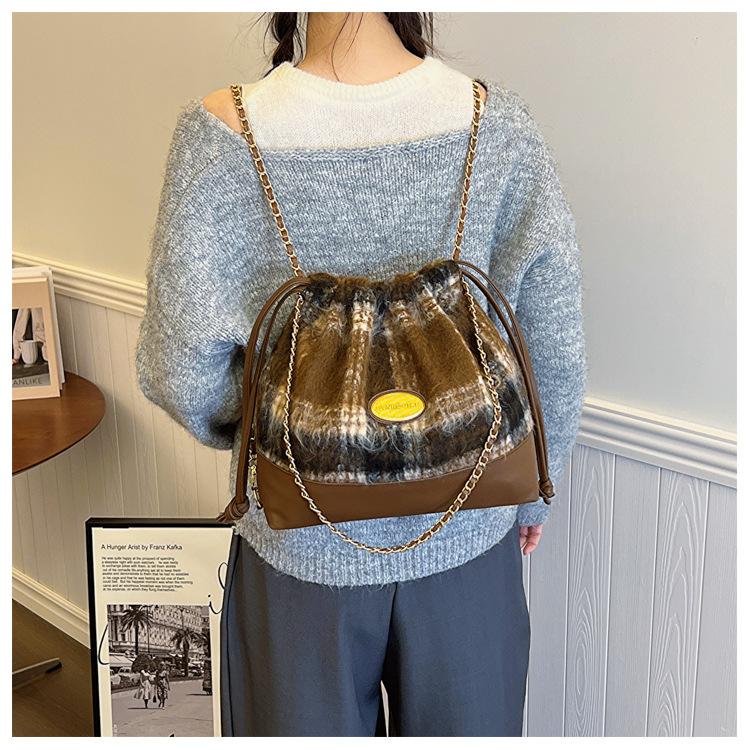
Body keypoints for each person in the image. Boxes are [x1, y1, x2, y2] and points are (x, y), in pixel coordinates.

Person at [136, 12, 586, 737]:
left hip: (298, 544)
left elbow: (179, 371)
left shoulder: (222, 135)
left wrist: (281, 436)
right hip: (469, 527)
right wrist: (536, 484)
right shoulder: (495, 124)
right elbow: (551, 338)